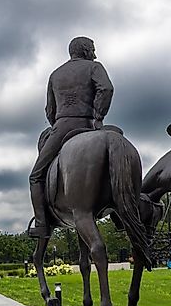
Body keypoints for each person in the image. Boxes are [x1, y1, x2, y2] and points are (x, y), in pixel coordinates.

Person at [29, 36, 114, 237]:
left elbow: (50, 109)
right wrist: (98, 117)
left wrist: (57, 125)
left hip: (63, 126)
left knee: (36, 176)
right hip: (90, 124)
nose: (95, 54)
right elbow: (107, 88)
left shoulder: (55, 74)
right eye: (92, 49)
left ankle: (41, 224)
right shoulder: (95, 67)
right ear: (84, 50)